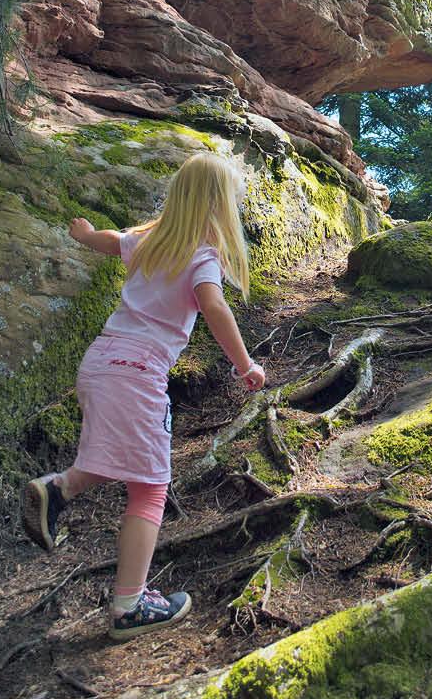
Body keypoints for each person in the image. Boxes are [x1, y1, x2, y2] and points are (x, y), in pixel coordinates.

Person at [21, 152, 265, 641]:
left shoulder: (153, 242)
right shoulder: (202, 255)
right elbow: (214, 306)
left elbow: (115, 242)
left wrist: (87, 236)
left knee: (123, 461)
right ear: (219, 207)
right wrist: (246, 365)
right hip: (137, 372)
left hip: (100, 363)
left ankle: (59, 489)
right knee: (150, 487)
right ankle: (129, 606)